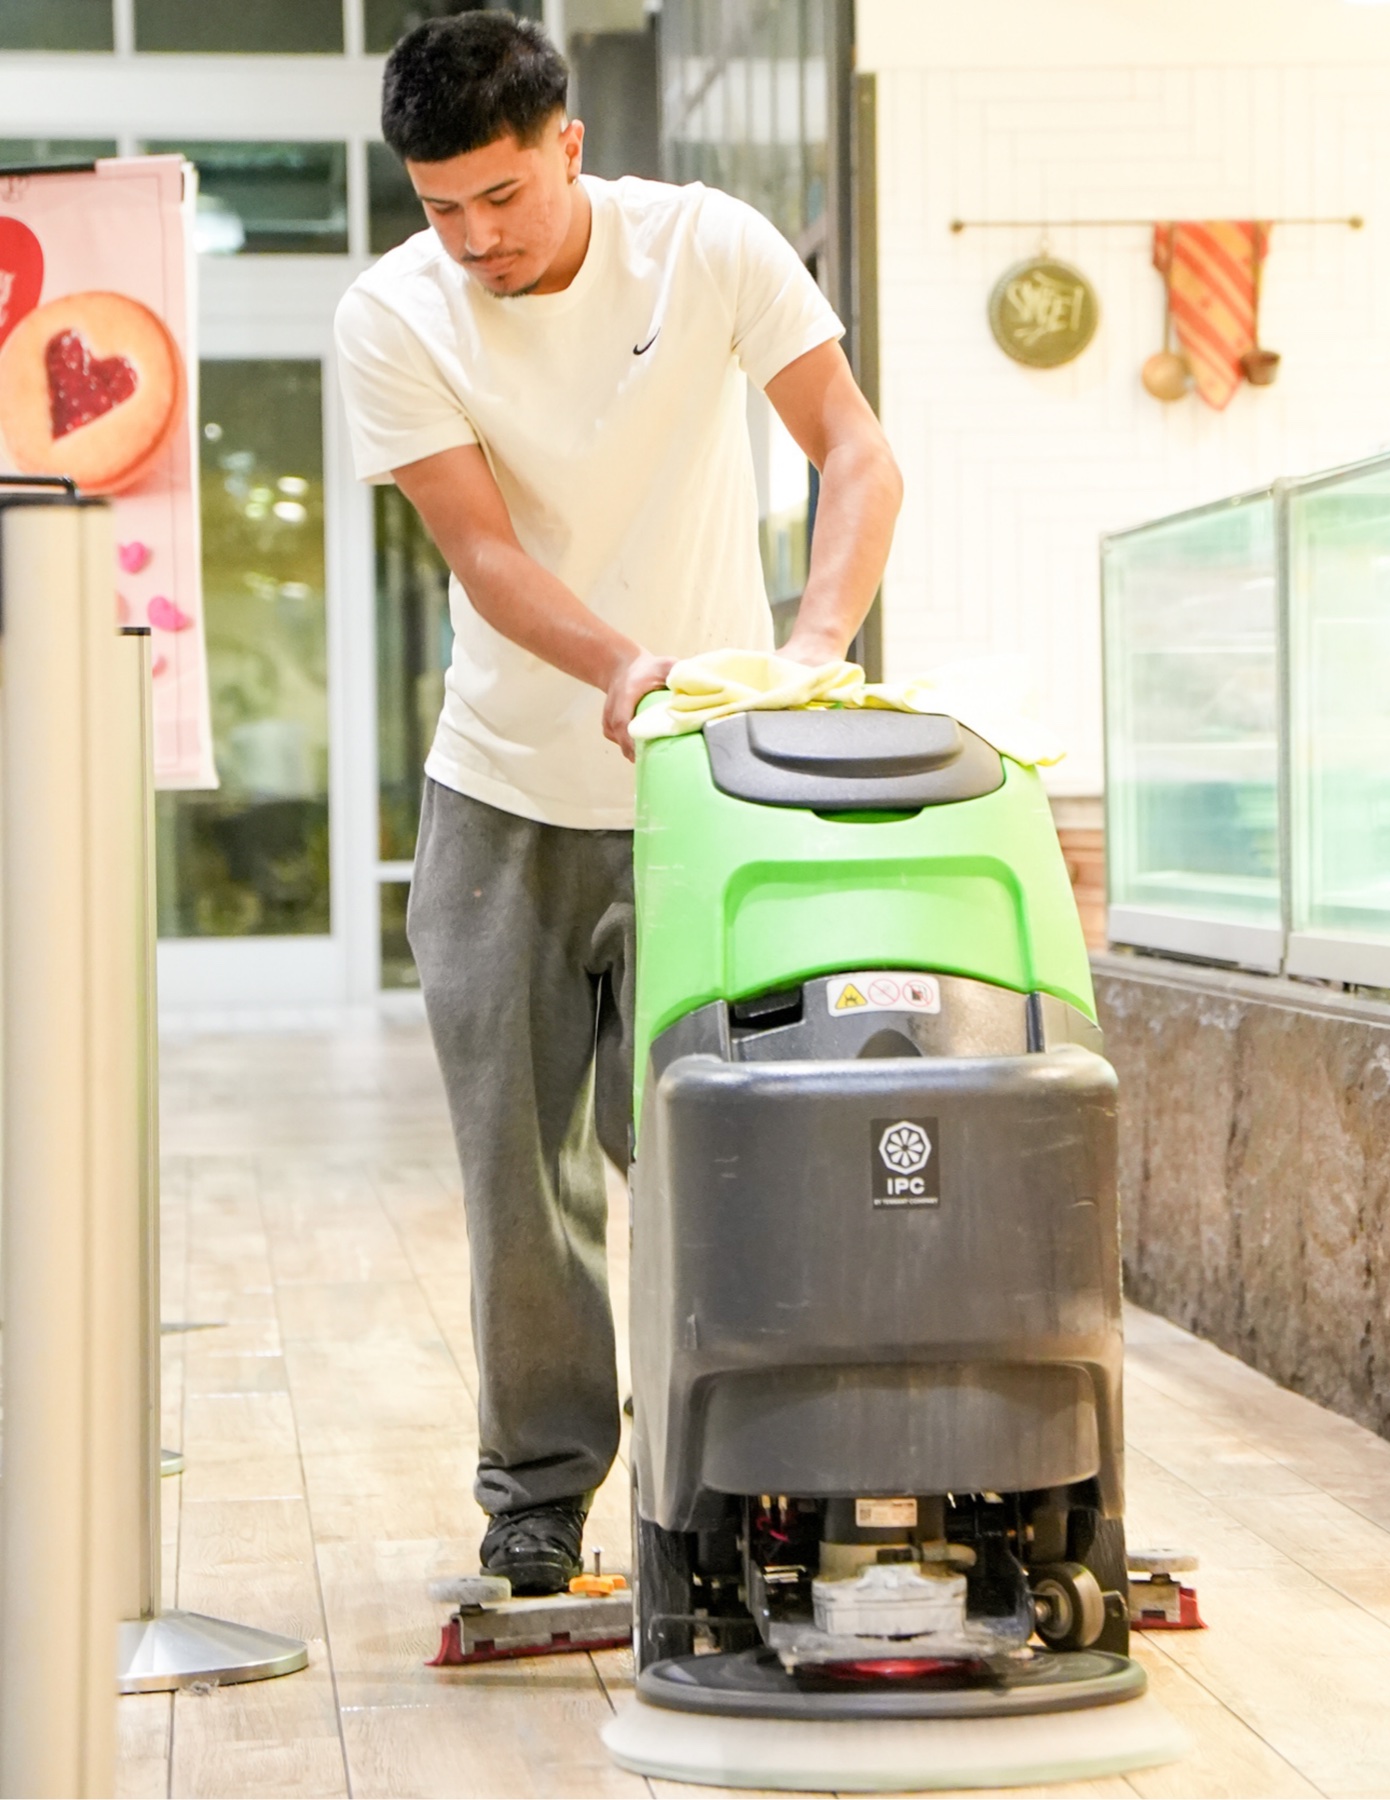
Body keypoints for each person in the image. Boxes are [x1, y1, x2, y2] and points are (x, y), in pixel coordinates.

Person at [334, 10, 902, 1595]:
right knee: (523, 1182)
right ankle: (536, 1492)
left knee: (723, 1155)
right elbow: (487, 554)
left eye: (500, 195)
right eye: (440, 206)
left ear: (568, 142)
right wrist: (627, 663)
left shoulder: (705, 248)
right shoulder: (394, 314)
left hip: (706, 801)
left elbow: (853, 452)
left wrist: (809, 649)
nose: (474, 237)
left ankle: (747, 1477)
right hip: (501, 794)